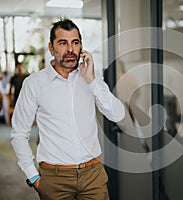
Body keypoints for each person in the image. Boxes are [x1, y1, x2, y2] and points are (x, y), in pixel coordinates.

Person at [10, 18, 125, 200]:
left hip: (92, 176)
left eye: (75, 42)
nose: (70, 49)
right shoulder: (34, 83)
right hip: (55, 178)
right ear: (51, 48)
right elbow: (19, 134)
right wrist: (34, 177)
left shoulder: (91, 78)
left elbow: (118, 114)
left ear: (81, 47)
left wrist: (92, 81)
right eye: (63, 43)